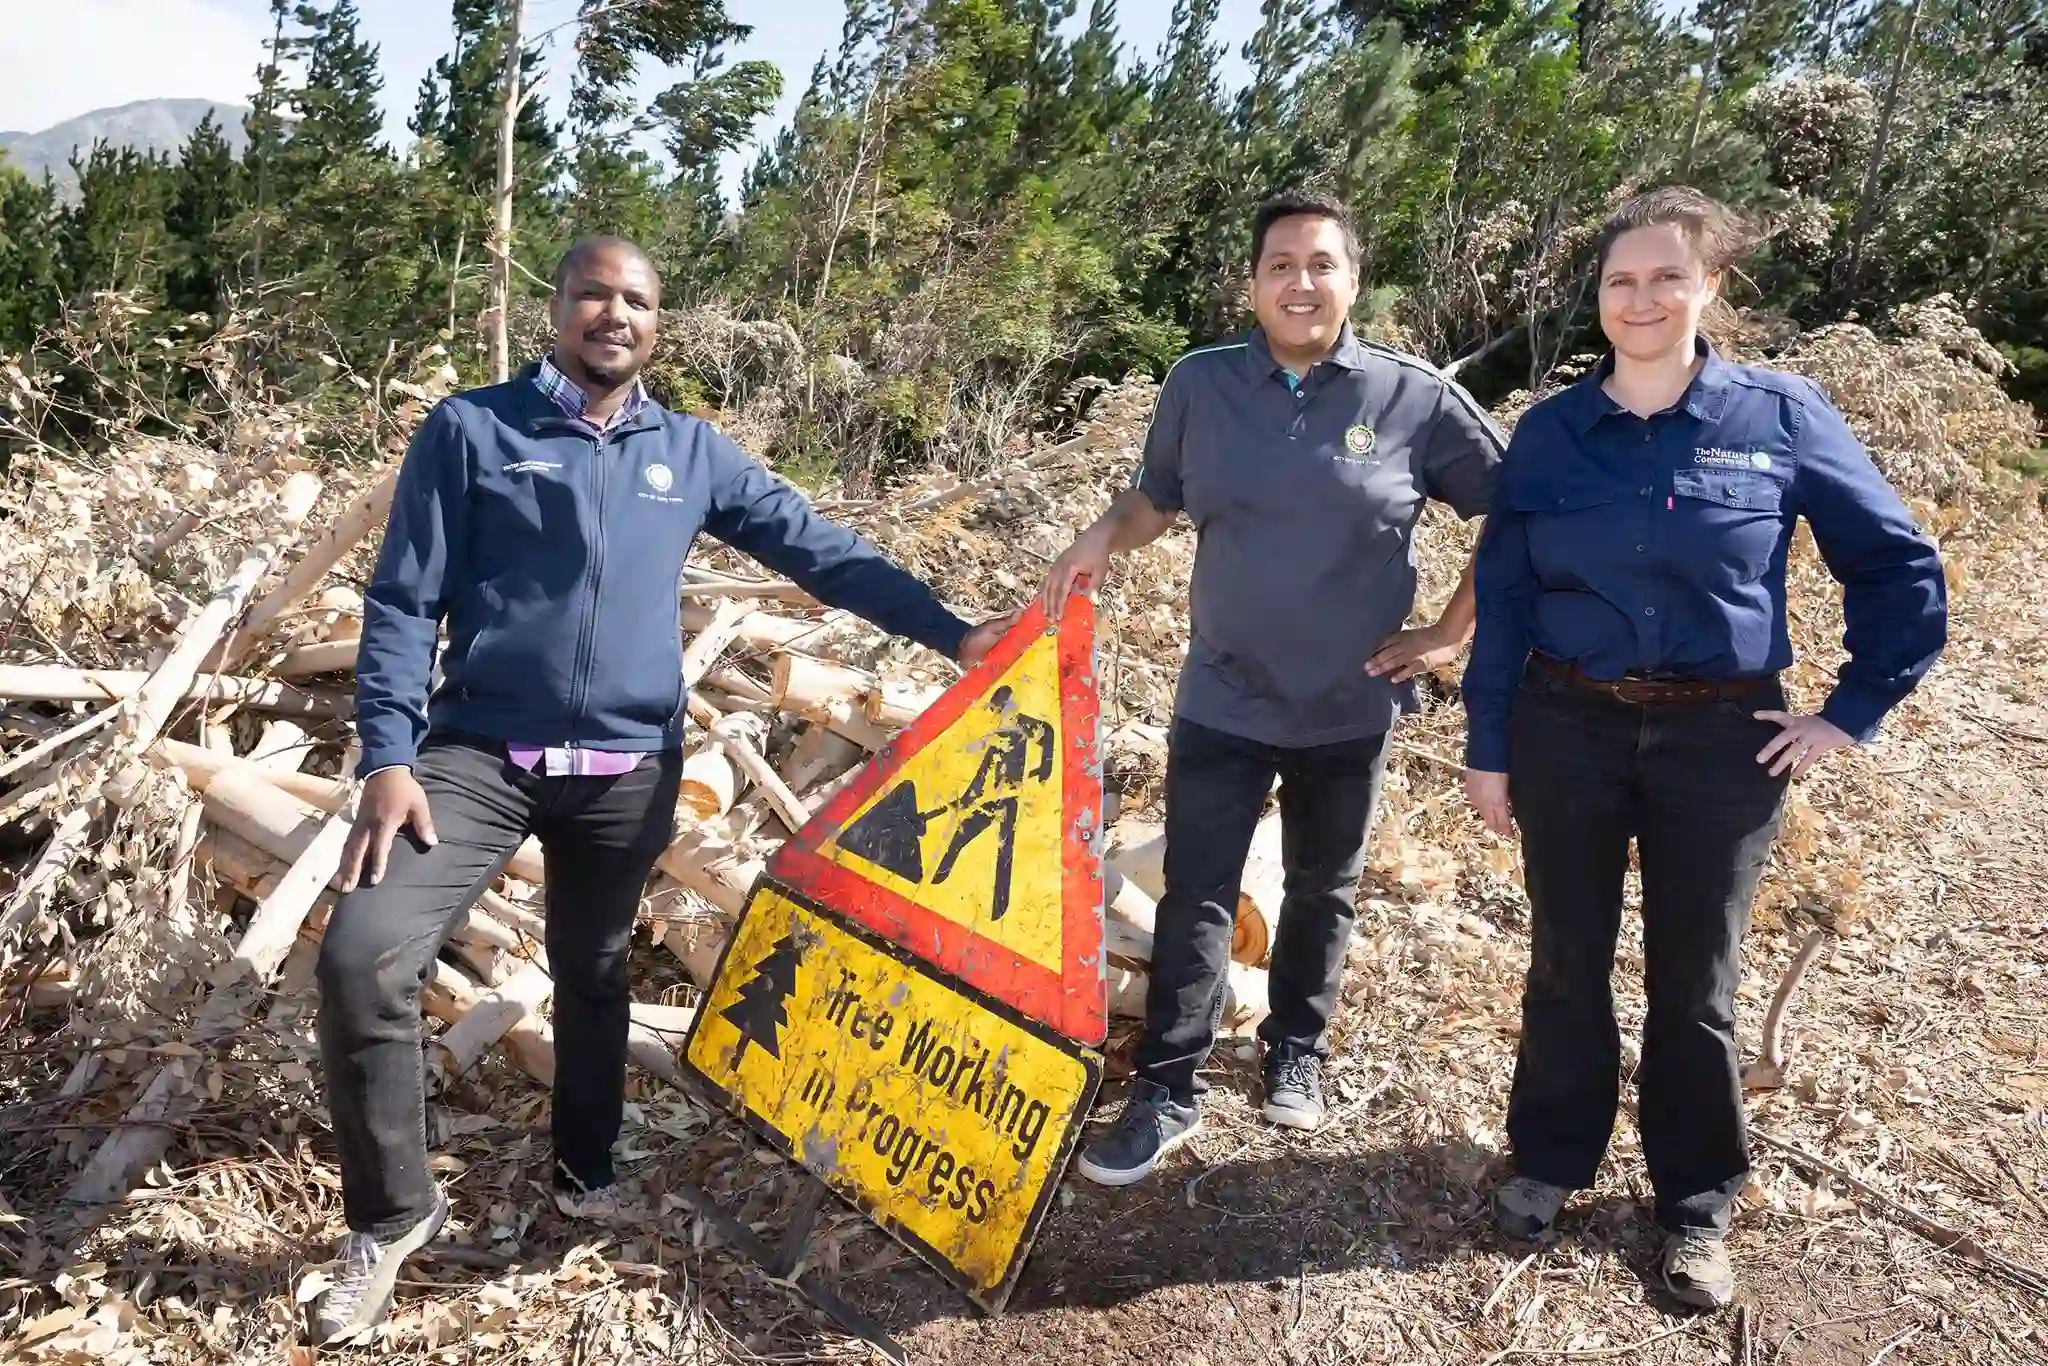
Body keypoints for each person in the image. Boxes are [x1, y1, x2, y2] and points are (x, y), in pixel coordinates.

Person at [307, 236, 1014, 1346]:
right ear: (557, 307)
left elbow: (818, 551)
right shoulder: (473, 429)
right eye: (594, 293)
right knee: (362, 954)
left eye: (636, 300)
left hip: (629, 772)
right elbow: (402, 601)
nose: (614, 314)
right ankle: (393, 1215)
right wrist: (388, 754)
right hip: (478, 760)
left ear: (656, 324)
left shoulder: (688, 451)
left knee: (593, 968)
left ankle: (585, 1167)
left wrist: (954, 629)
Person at [1460, 187, 1947, 1310]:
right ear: (1597, 297)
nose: (1640, 299)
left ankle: (1691, 1200)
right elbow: (1505, 595)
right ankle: (1547, 1159)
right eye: (1619, 280)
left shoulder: (1777, 416)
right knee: (1564, 961)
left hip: (1720, 739)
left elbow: (1895, 565)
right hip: (1564, 725)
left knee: (1695, 982)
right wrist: (1488, 745)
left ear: (1708, 286)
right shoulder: (1547, 432)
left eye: (1664, 276)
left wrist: (1847, 710)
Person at [1041, 191, 1504, 1187]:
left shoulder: (1410, 396)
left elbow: (1517, 511)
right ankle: (1164, 1087)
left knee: (1321, 888)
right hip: (1224, 695)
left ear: (1353, 280)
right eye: (1279, 265)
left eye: (1320, 264)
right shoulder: (1201, 384)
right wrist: (1099, 536)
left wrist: (1446, 632)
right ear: (1251, 284)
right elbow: (1155, 497)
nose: (1300, 282)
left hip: (1349, 702)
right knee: (1196, 892)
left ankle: (1296, 1045)